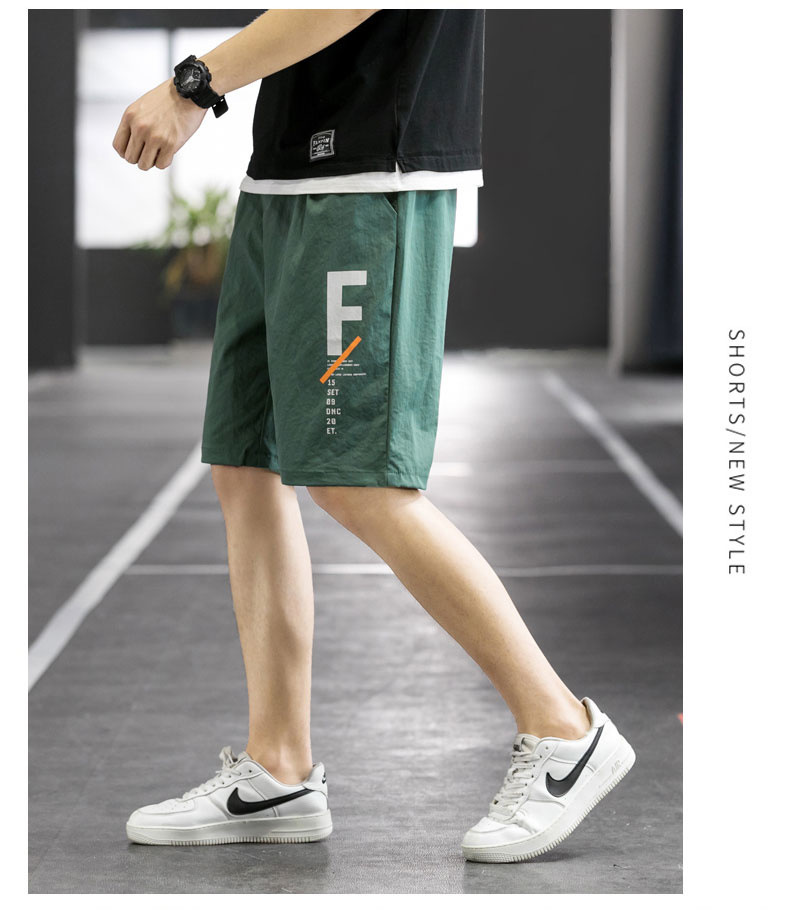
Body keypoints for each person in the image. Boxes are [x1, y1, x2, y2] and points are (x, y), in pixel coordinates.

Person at [113, 8, 635, 862]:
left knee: (361, 479)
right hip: (283, 176)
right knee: (245, 463)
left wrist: (193, 86)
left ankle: (564, 731)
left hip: (368, 174)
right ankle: (279, 768)